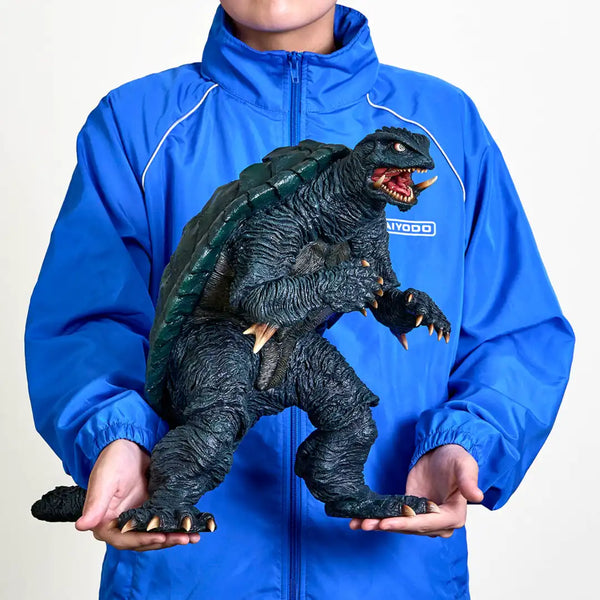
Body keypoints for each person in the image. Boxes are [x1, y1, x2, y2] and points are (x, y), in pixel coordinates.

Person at [24, 1, 575, 598]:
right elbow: (94, 324)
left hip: (389, 573)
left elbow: (513, 332)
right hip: (199, 502)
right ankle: (173, 495)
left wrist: (466, 440)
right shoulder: (140, 124)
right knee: (215, 425)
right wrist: (115, 437)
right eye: (392, 155)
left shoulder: (448, 125)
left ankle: (342, 485)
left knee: (351, 414)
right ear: (365, 162)